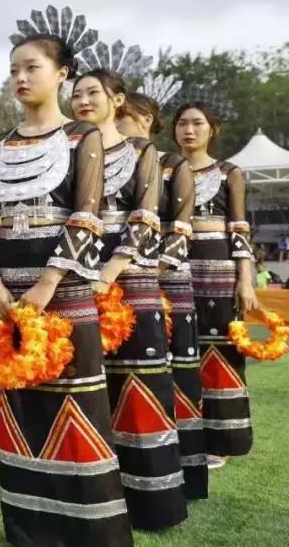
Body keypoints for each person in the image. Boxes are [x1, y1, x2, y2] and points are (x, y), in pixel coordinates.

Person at [0, 7, 132, 547]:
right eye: (13, 69)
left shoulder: (82, 136)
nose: (20, 77)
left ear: (61, 74)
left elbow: (86, 218)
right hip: (5, 298)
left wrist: (45, 285)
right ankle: (30, 531)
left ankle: (90, 534)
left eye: (31, 67)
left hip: (64, 293)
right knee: (20, 409)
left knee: (77, 407)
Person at [71, 64, 186, 530]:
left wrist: (109, 273)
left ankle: (150, 503)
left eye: (93, 93)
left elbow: (145, 218)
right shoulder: (68, 148)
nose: (83, 101)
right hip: (78, 275)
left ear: (117, 100)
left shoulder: (142, 151)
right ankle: (96, 498)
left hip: (130, 277)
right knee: (90, 387)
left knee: (138, 385)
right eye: (76, 94)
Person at [119, 91, 208, 499]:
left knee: (169, 374)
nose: (116, 123)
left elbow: (181, 230)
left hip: (164, 278)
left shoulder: (172, 164)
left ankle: (177, 468)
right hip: (122, 277)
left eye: (124, 116)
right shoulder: (111, 159)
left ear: (145, 119)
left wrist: (149, 271)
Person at [175, 102, 258, 468]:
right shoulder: (164, 171)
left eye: (197, 123)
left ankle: (220, 441)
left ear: (213, 130)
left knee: (221, 356)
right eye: (182, 123)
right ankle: (182, 438)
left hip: (219, 279)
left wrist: (245, 280)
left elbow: (239, 230)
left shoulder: (229, 174)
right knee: (179, 356)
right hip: (175, 273)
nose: (189, 130)